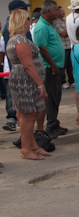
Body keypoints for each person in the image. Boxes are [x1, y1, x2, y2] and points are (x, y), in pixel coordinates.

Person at [6, 10, 50, 160]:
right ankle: (26, 149)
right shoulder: (19, 40)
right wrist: (40, 84)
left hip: (25, 80)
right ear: (22, 22)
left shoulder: (18, 39)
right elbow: (28, 65)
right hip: (25, 82)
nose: (29, 21)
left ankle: (33, 145)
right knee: (28, 115)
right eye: (27, 19)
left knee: (30, 114)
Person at [33, 0, 68, 138]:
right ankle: (51, 126)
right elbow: (42, 49)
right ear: (48, 12)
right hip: (49, 68)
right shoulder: (41, 27)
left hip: (56, 66)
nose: (58, 12)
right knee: (52, 97)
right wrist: (53, 65)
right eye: (55, 10)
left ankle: (54, 123)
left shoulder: (50, 24)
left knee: (56, 96)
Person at [2, 0, 31, 131]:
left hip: (19, 68)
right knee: (15, 97)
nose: (27, 11)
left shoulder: (21, 26)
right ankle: (12, 119)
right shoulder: (11, 28)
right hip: (17, 69)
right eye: (23, 9)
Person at [54, 6, 74, 89]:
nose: (64, 12)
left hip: (69, 45)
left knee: (70, 65)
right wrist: (70, 29)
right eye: (61, 11)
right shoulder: (55, 23)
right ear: (57, 12)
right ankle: (63, 82)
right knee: (63, 65)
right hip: (63, 47)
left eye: (63, 10)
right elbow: (63, 34)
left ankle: (71, 81)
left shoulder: (66, 21)